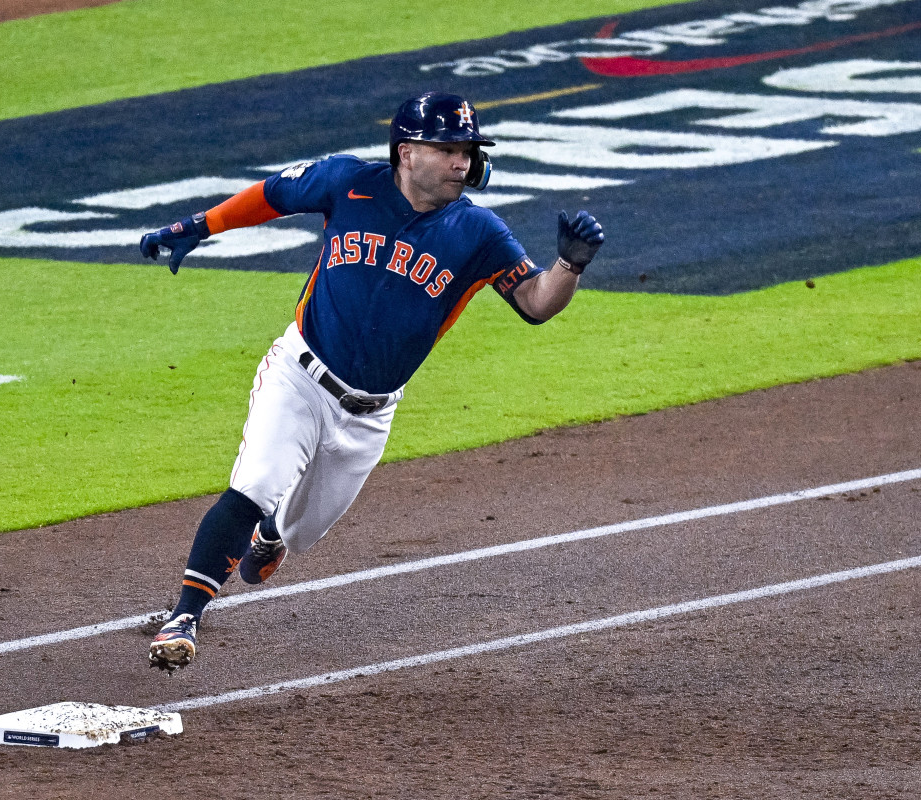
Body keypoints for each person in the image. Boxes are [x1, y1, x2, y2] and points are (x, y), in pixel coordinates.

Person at [139, 91, 605, 671]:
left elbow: (536, 304)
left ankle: (273, 535)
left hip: (371, 413)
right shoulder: (347, 183)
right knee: (253, 483)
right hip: (301, 376)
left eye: (468, 150)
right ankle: (184, 617)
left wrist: (570, 265)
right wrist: (199, 225)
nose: (463, 161)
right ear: (406, 152)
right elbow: (272, 195)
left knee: (300, 530)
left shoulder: (479, 232)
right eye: (449, 149)